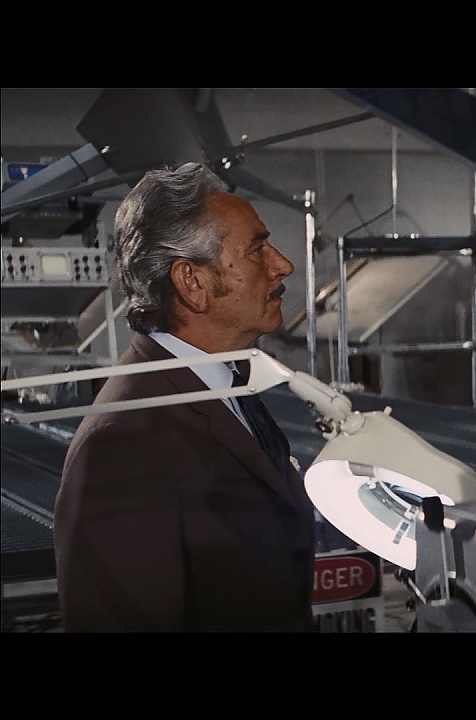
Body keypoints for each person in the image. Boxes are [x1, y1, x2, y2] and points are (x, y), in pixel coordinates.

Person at [54, 162, 316, 631]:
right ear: (192, 282)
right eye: (256, 249)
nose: (283, 265)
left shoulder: (229, 386)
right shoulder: (123, 442)